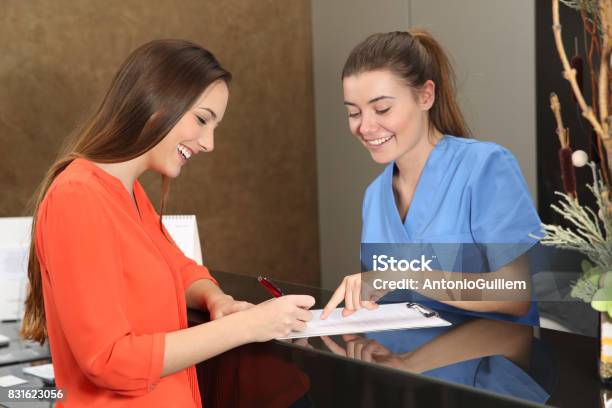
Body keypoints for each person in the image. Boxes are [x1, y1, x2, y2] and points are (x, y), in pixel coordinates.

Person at [20, 39, 314, 407]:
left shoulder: (128, 194)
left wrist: (216, 299)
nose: (209, 143)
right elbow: (109, 360)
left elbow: (182, 269)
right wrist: (248, 326)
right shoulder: (78, 198)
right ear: (158, 100)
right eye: (203, 119)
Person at [321, 29, 542, 325]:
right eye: (353, 113)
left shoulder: (485, 167)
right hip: (399, 365)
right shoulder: (375, 196)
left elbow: (516, 292)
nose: (366, 127)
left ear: (426, 96)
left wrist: (406, 273)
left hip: (486, 364)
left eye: (382, 108)